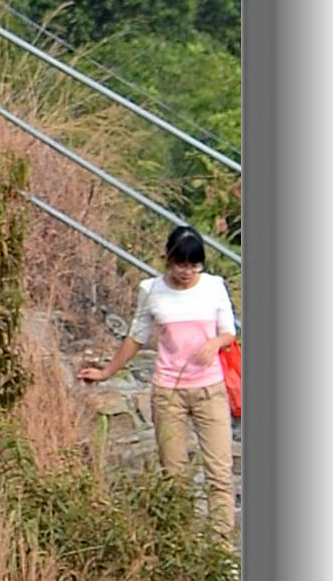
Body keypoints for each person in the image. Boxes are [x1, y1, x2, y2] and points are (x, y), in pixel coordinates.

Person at [82, 224, 238, 545]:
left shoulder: (213, 287)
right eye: (180, 263)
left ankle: (221, 549)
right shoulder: (151, 290)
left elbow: (229, 331)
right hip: (168, 393)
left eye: (194, 264)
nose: (186, 272)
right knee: (174, 476)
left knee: (219, 474)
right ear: (167, 259)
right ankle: (181, 547)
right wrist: (106, 372)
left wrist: (215, 343)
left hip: (210, 390)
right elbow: (136, 337)